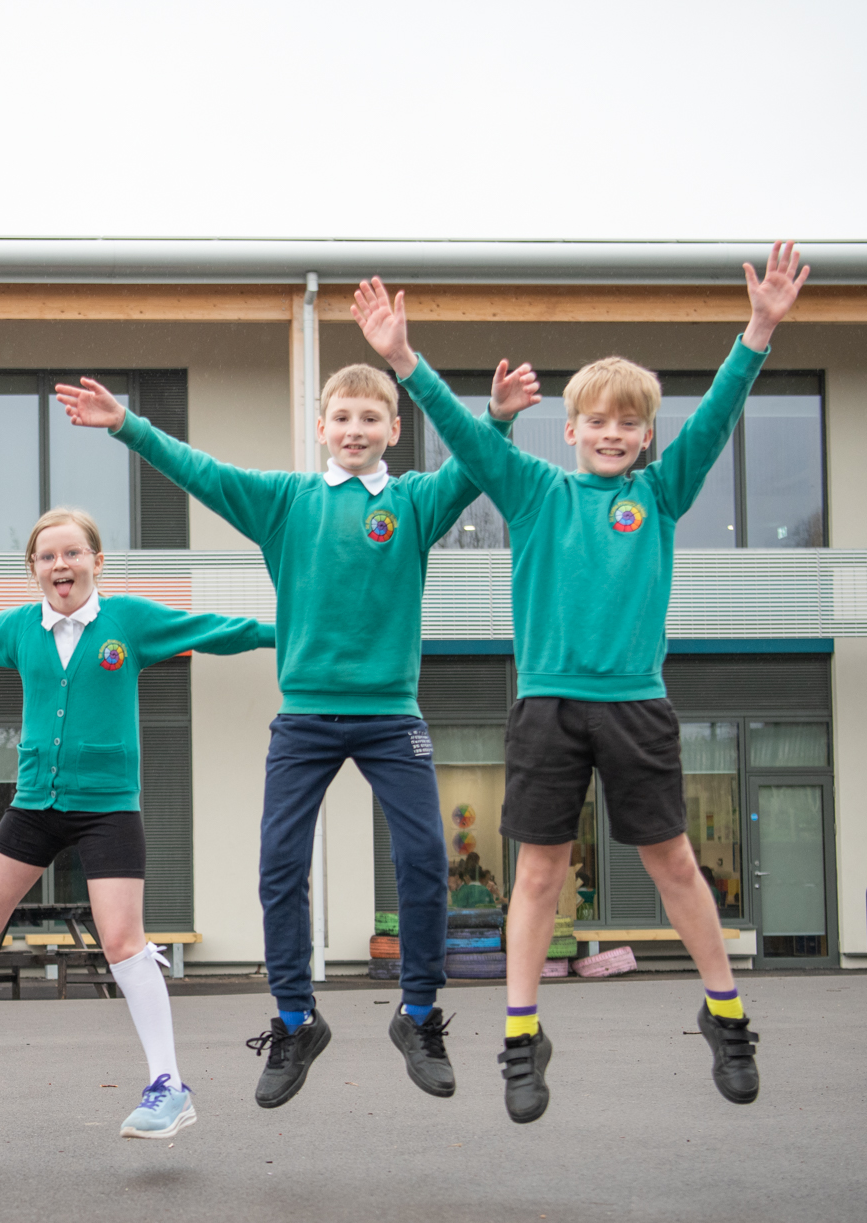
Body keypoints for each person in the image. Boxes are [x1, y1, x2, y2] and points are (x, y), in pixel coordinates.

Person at [358, 242, 809, 1124]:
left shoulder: (664, 492)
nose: (611, 433)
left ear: (646, 434)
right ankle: (522, 1036)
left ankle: (726, 1015)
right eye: (596, 421)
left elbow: (716, 416)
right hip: (548, 707)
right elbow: (458, 431)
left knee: (673, 860)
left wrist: (758, 331)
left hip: (637, 703)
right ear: (568, 430)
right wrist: (405, 362)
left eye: (628, 423)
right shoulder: (533, 491)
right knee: (538, 873)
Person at [58, 362, 535, 1110]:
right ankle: (294, 1019)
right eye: (342, 418)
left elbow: (475, 468)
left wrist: (498, 421)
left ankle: (417, 1015)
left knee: (423, 857)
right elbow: (202, 472)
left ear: (393, 431)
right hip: (306, 715)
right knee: (279, 864)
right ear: (321, 428)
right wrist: (126, 424)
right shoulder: (286, 502)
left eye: (370, 420)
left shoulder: (413, 502)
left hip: (391, 714)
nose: (355, 431)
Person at [0, 508, 274, 1137]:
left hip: (108, 806)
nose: (61, 565)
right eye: (47, 556)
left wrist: (285, 632)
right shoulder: (19, 629)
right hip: (34, 803)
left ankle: (169, 1087)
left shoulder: (128, 622)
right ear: (33, 569)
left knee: (123, 942)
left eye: (73, 553)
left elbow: (213, 627)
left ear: (97, 561)